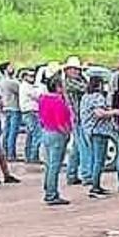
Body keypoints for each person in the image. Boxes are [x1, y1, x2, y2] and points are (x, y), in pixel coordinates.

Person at [80, 75, 118, 198]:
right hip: (99, 131)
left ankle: (96, 185)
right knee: (99, 160)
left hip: (90, 130)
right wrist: (114, 112)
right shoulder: (97, 97)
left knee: (96, 159)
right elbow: (99, 113)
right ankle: (95, 187)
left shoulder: (85, 97)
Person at [37, 75, 73, 206]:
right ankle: (51, 193)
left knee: (49, 164)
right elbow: (60, 122)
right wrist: (67, 133)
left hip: (47, 131)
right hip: (57, 133)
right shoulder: (58, 102)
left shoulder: (43, 99)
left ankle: (49, 190)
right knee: (54, 165)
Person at [63, 57, 92, 186]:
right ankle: (86, 174)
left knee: (76, 147)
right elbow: (86, 88)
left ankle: (71, 174)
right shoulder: (69, 83)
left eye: (77, 69)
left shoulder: (78, 80)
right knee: (84, 146)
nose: (75, 71)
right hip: (77, 117)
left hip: (80, 117)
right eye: (73, 69)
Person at [0, 61, 22, 161]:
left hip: (7, 107)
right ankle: (11, 154)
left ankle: (5, 151)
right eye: (10, 67)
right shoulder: (10, 82)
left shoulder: (2, 81)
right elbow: (19, 88)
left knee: (7, 131)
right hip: (14, 108)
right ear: (5, 70)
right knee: (12, 132)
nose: (12, 68)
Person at [19, 69, 41, 164]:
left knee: (30, 135)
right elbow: (37, 96)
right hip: (30, 112)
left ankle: (29, 155)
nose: (32, 77)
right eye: (30, 76)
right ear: (24, 77)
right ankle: (33, 156)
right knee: (36, 134)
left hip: (30, 112)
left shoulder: (29, 86)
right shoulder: (26, 87)